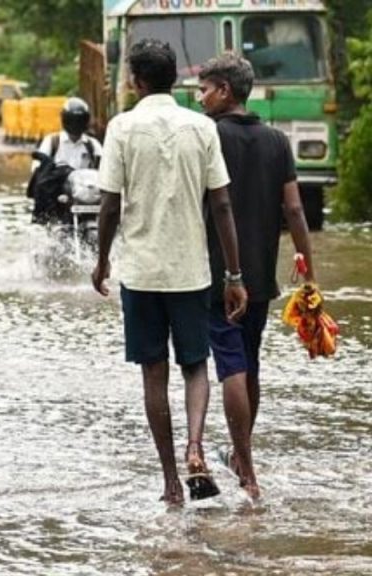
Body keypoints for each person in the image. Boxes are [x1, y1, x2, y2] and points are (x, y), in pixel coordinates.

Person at [91, 40, 248, 506]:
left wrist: (101, 260)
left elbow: (109, 205)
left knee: (153, 374)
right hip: (191, 271)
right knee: (196, 365)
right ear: (173, 78)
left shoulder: (121, 128)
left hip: (141, 272)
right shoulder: (201, 127)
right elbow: (220, 203)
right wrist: (234, 274)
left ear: (135, 81)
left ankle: (170, 483)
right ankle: (195, 447)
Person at [196, 53, 315, 500]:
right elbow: (296, 210)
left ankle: (246, 469)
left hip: (217, 274)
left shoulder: (207, 136)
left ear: (226, 90)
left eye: (205, 89)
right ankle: (241, 453)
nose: (200, 97)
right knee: (250, 364)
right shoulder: (276, 141)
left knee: (230, 367)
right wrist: (309, 274)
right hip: (262, 275)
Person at [37, 97, 102, 170]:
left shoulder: (93, 145)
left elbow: (104, 169)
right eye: (72, 120)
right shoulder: (52, 142)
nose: (75, 124)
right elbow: (37, 169)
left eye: (79, 120)